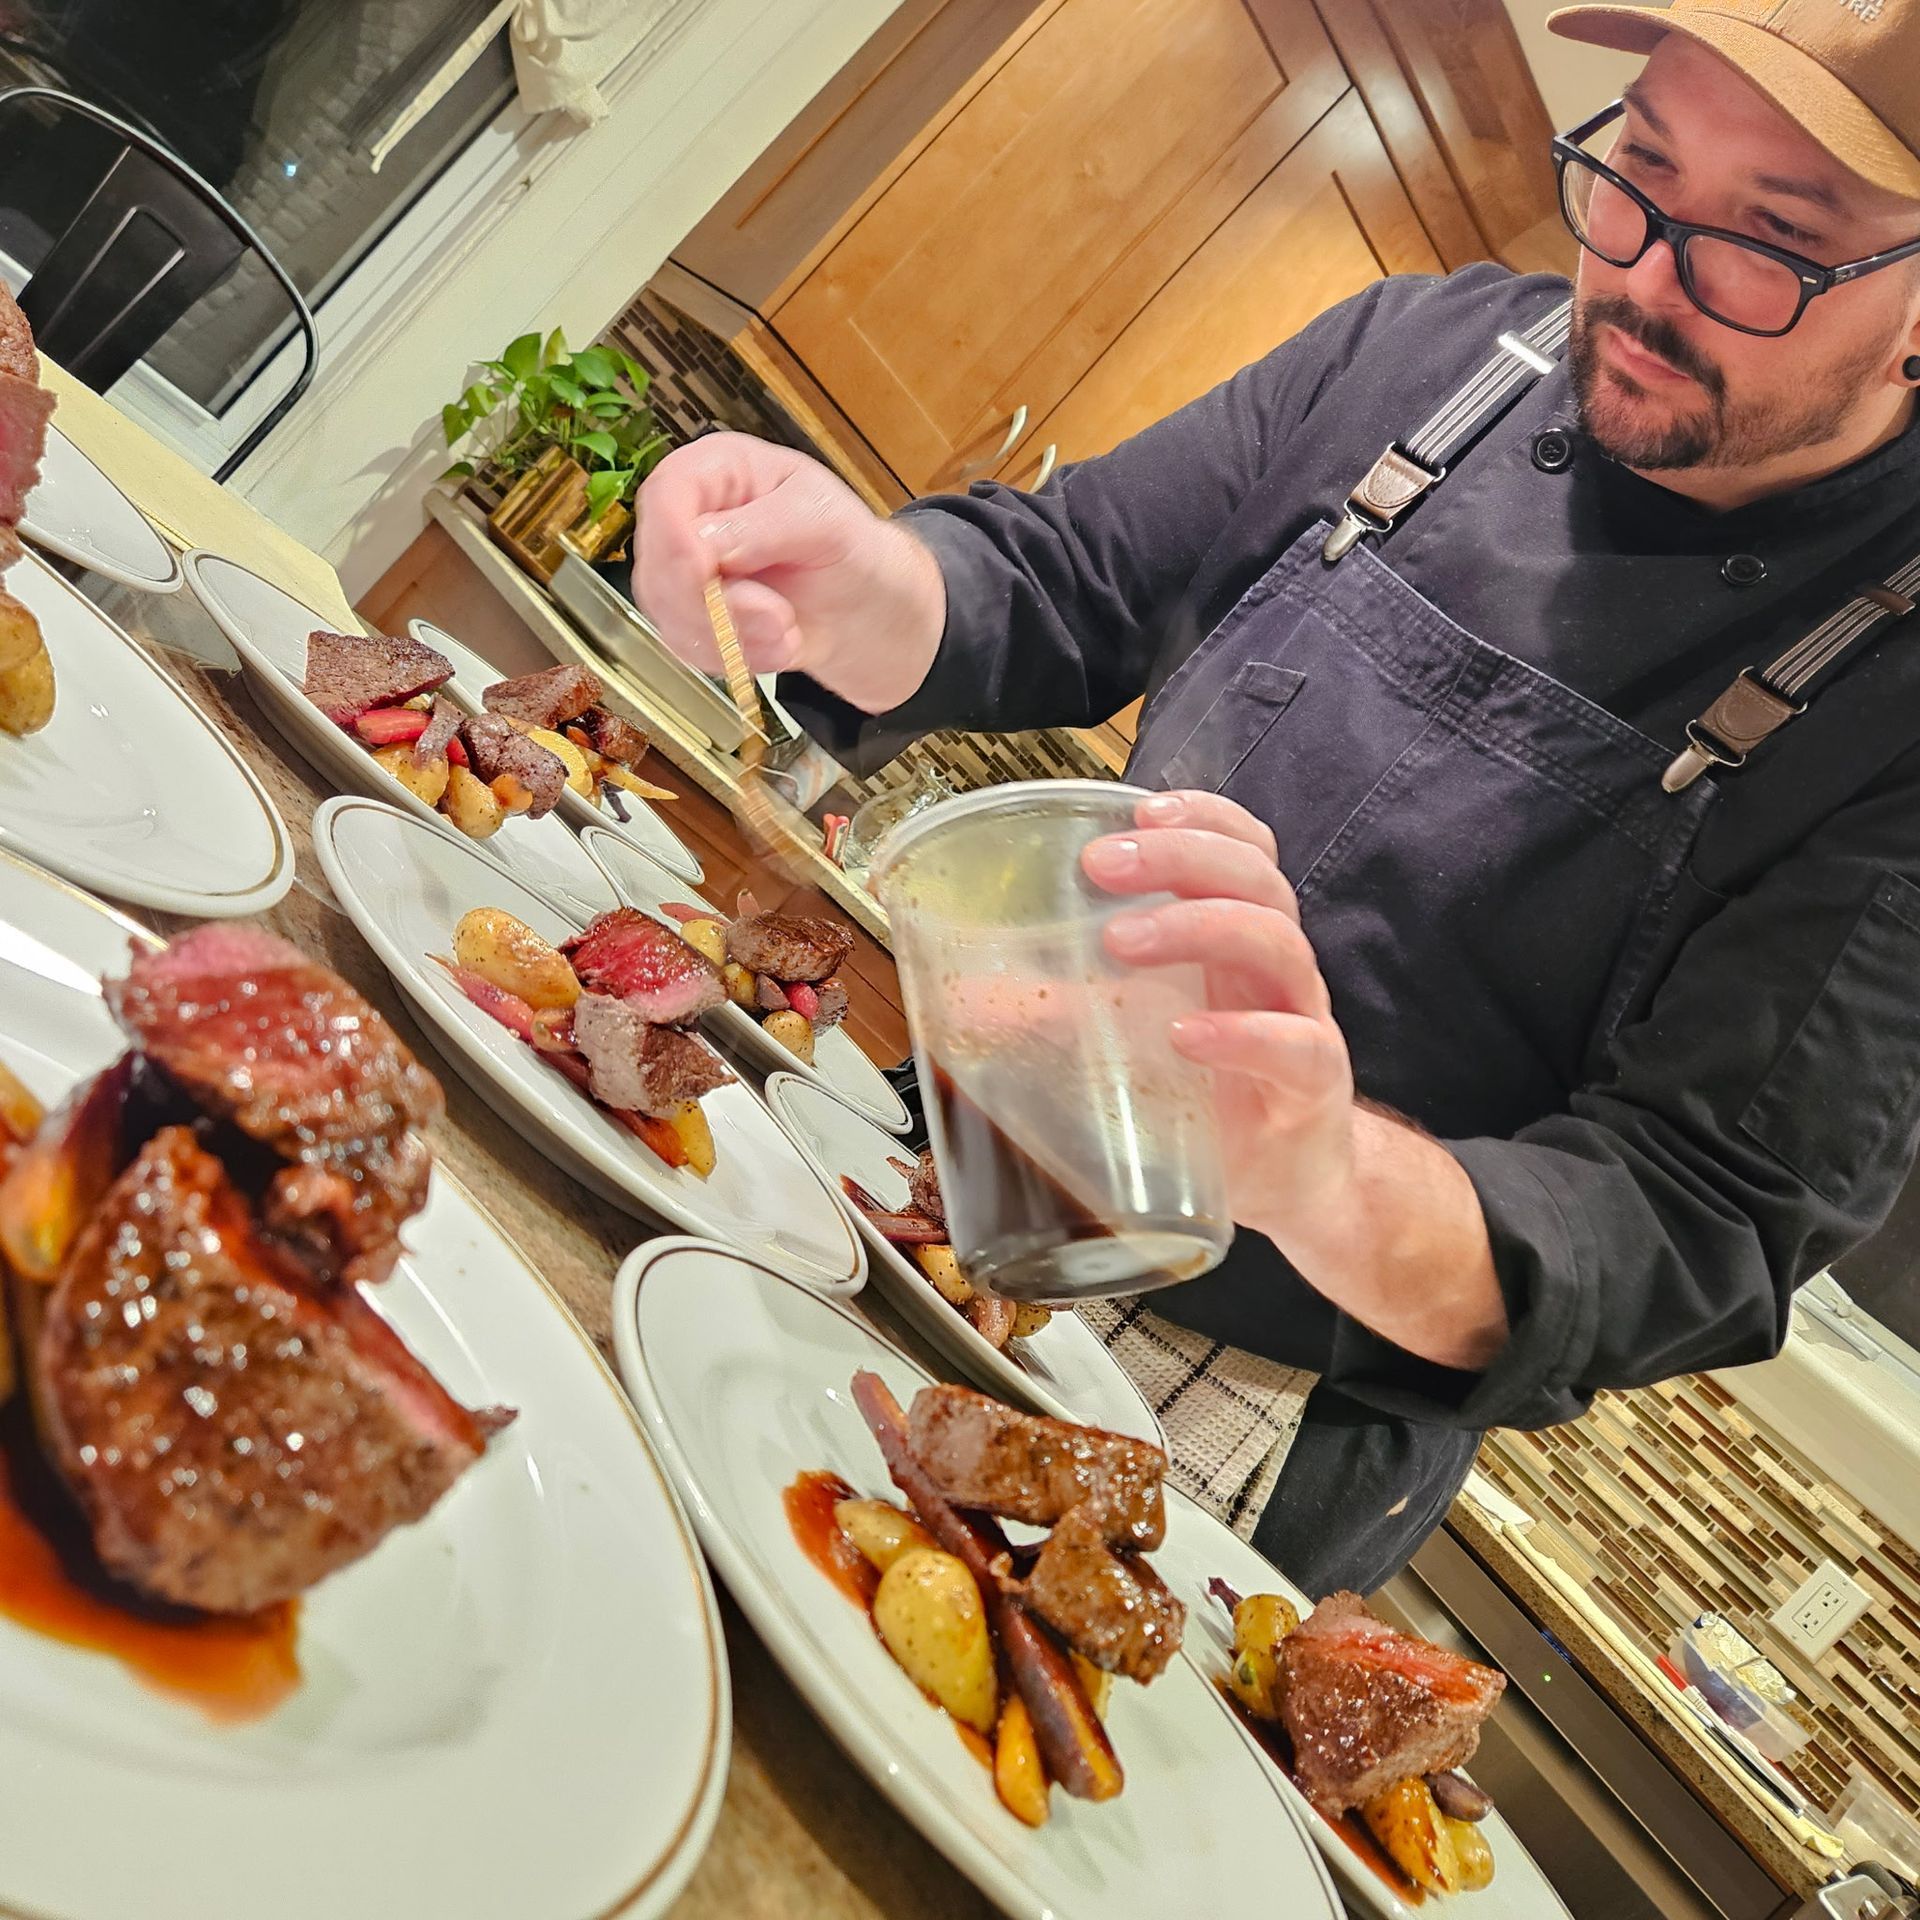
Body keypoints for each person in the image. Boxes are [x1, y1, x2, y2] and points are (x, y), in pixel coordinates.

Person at [633, 0, 1920, 1593]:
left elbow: (1693, 1217)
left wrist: (1319, 1169)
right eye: (1638, 174)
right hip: (941, 1172)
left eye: (1771, 247)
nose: (1650, 273)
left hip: (1228, 1405)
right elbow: (1063, 582)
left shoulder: (1896, 709)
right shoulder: (1432, 352)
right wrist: (859, 578)